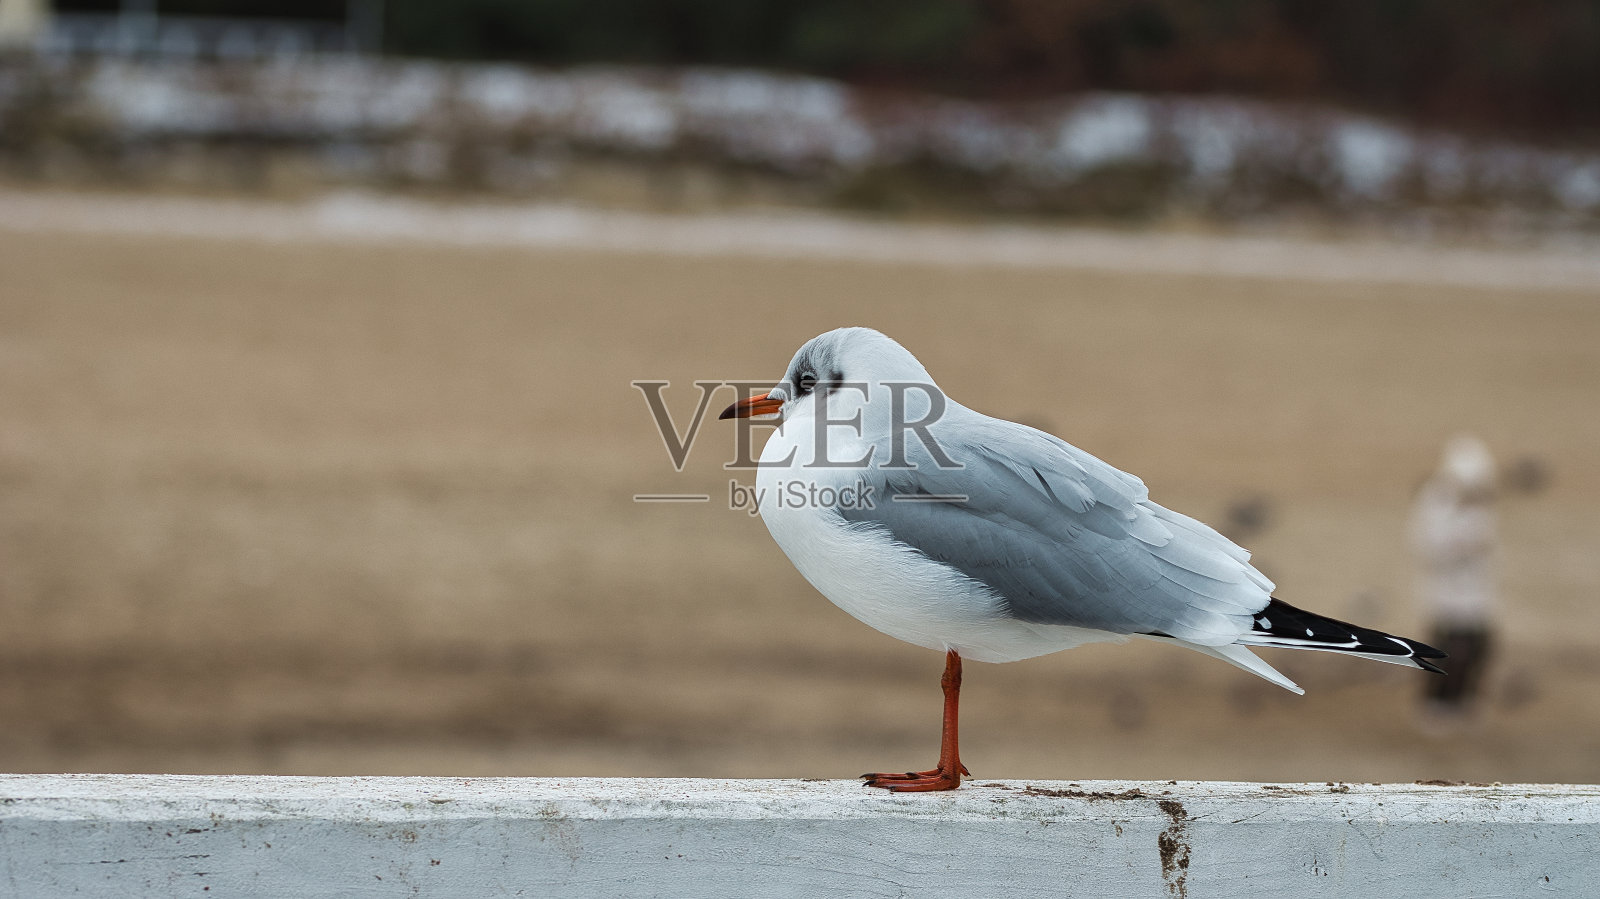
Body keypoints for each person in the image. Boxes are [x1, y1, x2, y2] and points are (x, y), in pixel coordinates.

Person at [1410, 435, 1497, 717]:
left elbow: (1486, 540)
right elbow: (1424, 542)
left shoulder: (1480, 505)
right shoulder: (1436, 501)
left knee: (1479, 643)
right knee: (1450, 646)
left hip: (1476, 586)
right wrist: (1459, 546)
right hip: (1446, 586)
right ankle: (1438, 702)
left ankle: (1465, 699)